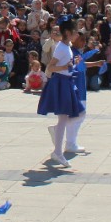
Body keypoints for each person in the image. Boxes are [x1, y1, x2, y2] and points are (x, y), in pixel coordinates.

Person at [36, 17, 81, 168]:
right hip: (61, 83)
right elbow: (50, 67)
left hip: (66, 82)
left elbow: (65, 65)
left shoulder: (66, 46)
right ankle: (57, 152)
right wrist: (65, 67)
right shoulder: (61, 47)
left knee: (68, 116)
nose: (77, 34)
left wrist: (73, 64)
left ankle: (57, 142)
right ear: (68, 32)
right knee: (64, 117)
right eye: (75, 32)